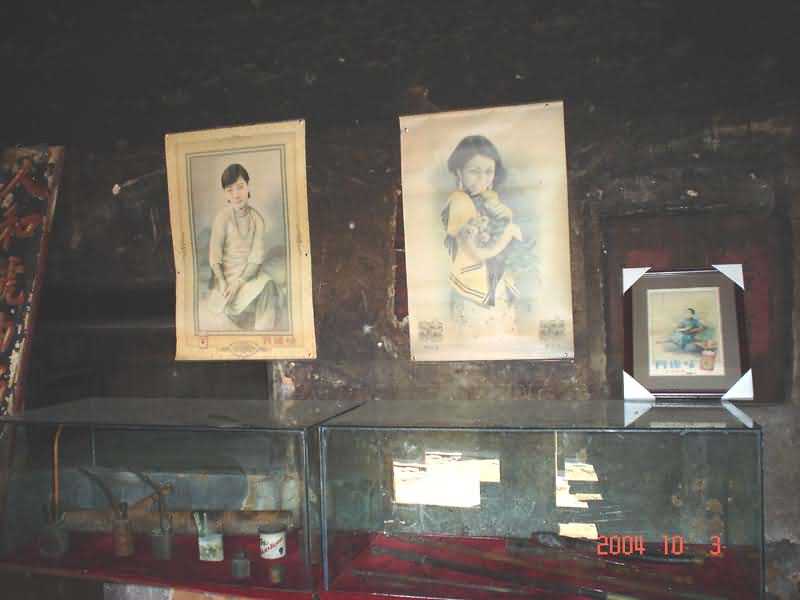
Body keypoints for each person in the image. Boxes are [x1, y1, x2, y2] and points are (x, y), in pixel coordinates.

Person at [441, 135, 523, 338]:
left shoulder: (487, 200)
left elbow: (503, 222)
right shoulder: (460, 201)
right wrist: (508, 235)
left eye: (489, 172)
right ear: (459, 172)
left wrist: (499, 211)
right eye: (474, 171)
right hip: (472, 291)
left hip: (494, 286)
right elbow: (477, 253)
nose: (483, 179)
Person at [207, 163, 285, 330]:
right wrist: (223, 281)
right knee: (225, 304)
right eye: (230, 190)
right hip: (225, 281)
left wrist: (239, 283)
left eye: (240, 187)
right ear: (225, 194)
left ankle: (264, 333)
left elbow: (255, 260)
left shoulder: (257, 220)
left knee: (269, 284)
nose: (236, 194)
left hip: (247, 278)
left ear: (248, 186)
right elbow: (214, 257)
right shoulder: (222, 218)